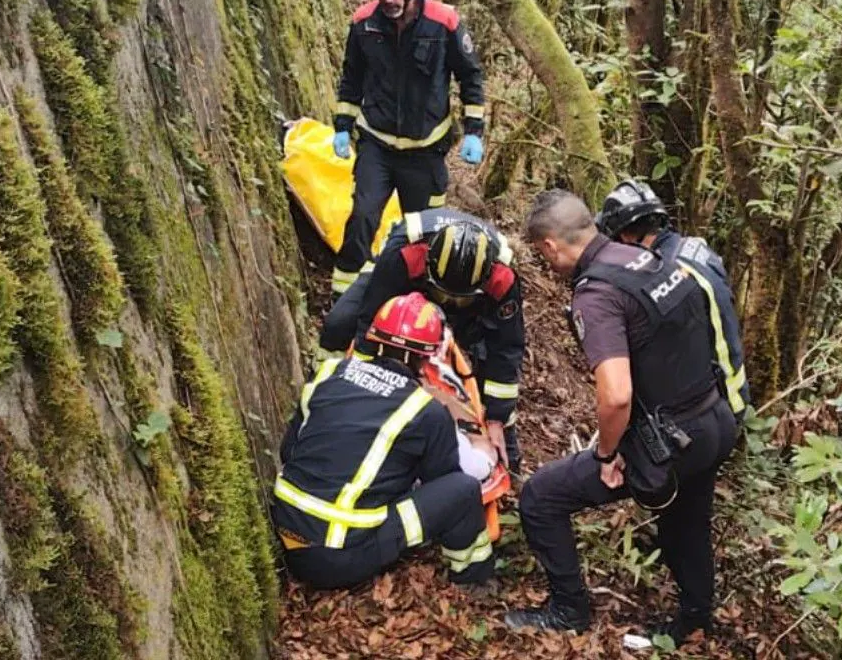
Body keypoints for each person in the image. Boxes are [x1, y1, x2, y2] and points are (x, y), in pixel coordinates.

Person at [505, 190, 737, 643]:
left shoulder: (597, 294)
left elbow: (615, 395)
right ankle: (695, 619)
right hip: (715, 421)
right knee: (686, 521)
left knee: (540, 497)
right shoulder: (650, 261)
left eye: (543, 254)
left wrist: (607, 454)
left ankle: (568, 611)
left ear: (550, 247)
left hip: (667, 444)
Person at [273, 292, 493, 590]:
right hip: (338, 558)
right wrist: (480, 446)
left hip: (286, 530)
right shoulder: (424, 411)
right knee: (464, 491)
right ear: (427, 355)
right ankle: (472, 580)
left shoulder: (329, 372)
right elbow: (444, 484)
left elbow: (289, 450)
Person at [330, 0, 487, 296]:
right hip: (377, 146)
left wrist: (474, 130)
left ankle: (415, 300)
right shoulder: (363, 25)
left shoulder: (443, 22)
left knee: (423, 232)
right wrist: (342, 127)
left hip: (425, 152)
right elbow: (351, 78)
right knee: (363, 218)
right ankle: (343, 297)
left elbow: (470, 75)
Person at [320, 208, 525, 473]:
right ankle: (323, 382)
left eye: (455, 298)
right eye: (444, 295)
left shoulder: (502, 278)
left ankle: (509, 458)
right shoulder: (404, 255)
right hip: (407, 283)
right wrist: (363, 379)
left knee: (487, 364)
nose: (446, 302)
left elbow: (507, 347)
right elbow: (370, 321)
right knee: (339, 323)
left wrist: (497, 416)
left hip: (471, 304)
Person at [596, 179, 750, 419]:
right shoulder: (691, 247)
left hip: (719, 398)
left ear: (626, 234)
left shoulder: (668, 271)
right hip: (732, 384)